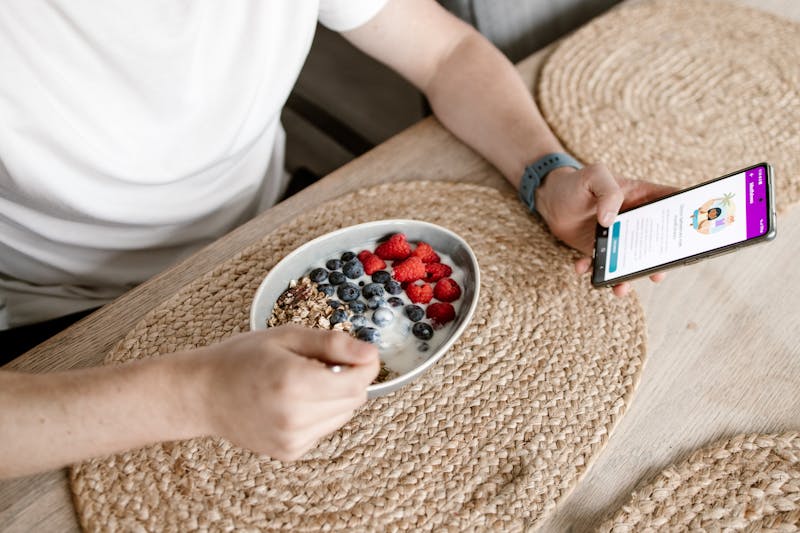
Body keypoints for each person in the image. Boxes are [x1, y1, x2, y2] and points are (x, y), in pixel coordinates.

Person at [0, 0, 672, 480]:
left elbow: (445, 52)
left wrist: (544, 174)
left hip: (276, 228)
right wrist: (194, 394)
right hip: (72, 320)